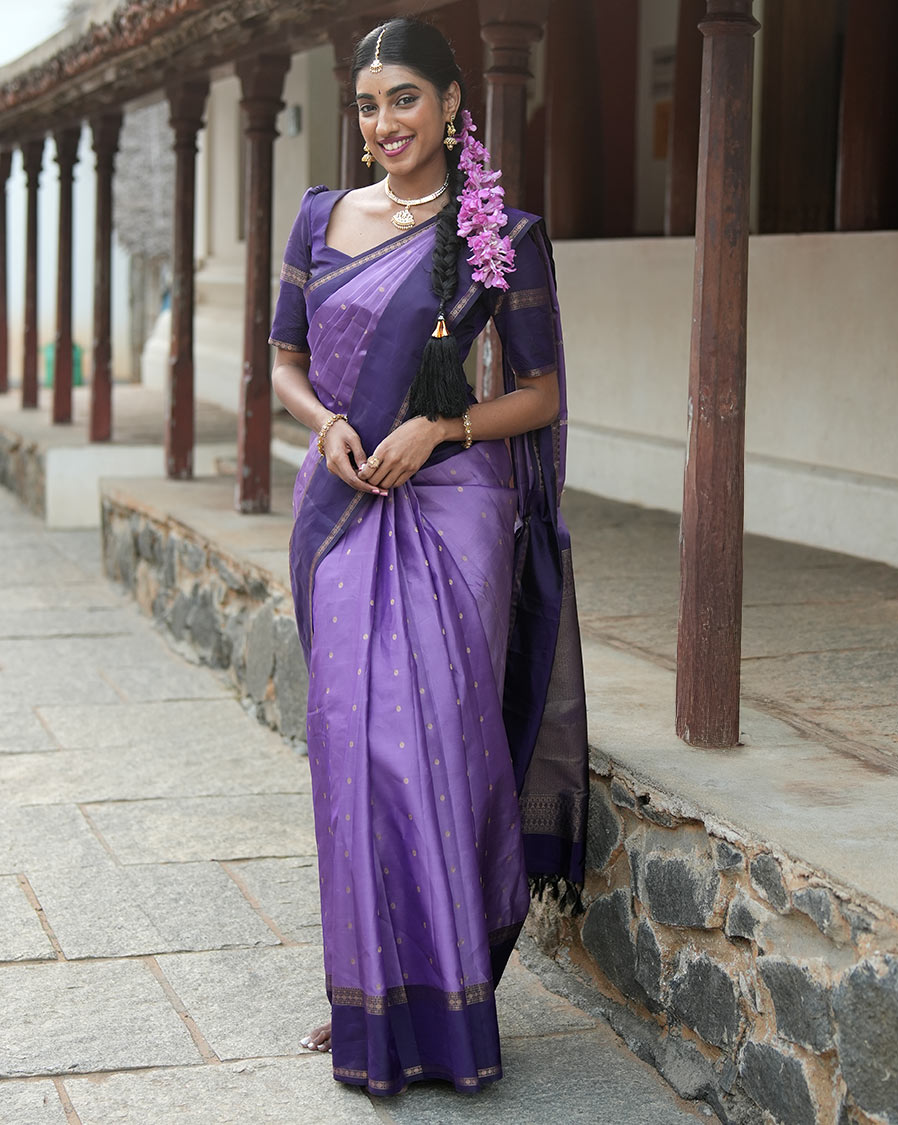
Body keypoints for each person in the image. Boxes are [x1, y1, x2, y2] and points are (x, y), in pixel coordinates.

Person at [269, 17, 588, 1098]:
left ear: (453, 105)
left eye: (405, 97)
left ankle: (450, 997)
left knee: (440, 746)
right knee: (355, 747)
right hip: (342, 505)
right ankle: (363, 992)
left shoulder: (502, 233)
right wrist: (325, 426)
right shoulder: (319, 220)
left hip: (451, 510)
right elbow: (284, 362)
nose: (385, 122)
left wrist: (441, 429)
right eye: (368, 104)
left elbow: (541, 393)